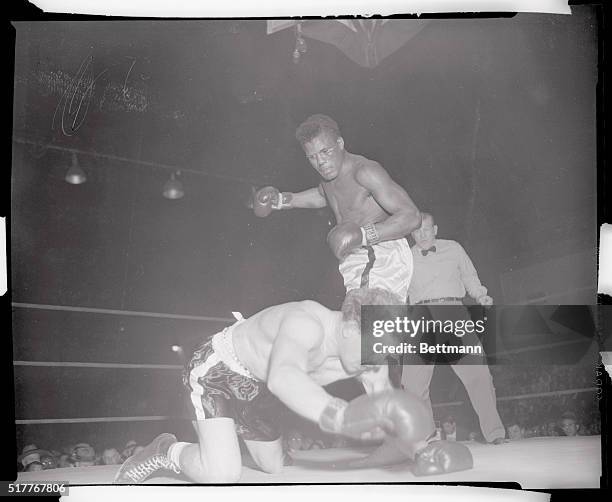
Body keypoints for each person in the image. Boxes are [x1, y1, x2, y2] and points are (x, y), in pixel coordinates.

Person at [114, 288, 472, 484]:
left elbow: (388, 407)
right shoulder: (307, 323)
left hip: (260, 390)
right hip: (218, 371)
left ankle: (225, 434)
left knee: (272, 468)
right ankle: (165, 450)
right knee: (222, 474)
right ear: (350, 327)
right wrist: (339, 414)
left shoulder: (367, 354)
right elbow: (284, 378)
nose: (375, 361)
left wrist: (424, 449)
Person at [251, 114, 421, 302]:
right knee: (363, 322)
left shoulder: (364, 171)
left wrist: (362, 235)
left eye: (325, 151)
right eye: (312, 157)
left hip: (381, 252)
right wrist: (281, 200)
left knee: (367, 319)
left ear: (340, 143)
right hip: (356, 254)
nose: (320, 162)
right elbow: (321, 195)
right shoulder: (329, 178)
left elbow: (412, 216)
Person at [400, 212, 507, 444]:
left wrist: (481, 295)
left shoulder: (454, 248)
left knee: (479, 375)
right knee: (412, 383)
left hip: (454, 312)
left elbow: (469, 276)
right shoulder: (405, 257)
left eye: (427, 229)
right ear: (411, 233)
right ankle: (425, 437)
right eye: (417, 231)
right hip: (421, 317)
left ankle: (495, 433)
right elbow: (397, 292)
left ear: (436, 229)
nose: (423, 234)